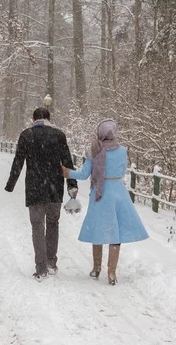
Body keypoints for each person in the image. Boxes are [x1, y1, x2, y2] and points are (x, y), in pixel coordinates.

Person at [62, 119, 148, 285]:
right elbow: (122, 171)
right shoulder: (123, 151)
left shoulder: (94, 150)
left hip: (100, 194)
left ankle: (96, 269)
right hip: (118, 194)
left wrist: (67, 173)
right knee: (116, 233)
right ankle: (112, 273)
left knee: (98, 230)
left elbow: (84, 174)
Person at [5, 107, 78, 280]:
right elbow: (67, 161)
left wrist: (11, 184)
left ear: (33, 119)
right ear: (49, 118)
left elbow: (18, 161)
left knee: (37, 226)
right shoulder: (58, 135)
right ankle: (51, 262)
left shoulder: (27, 135)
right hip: (54, 187)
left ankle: (41, 268)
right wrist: (72, 184)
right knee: (53, 223)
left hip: (34, 187)